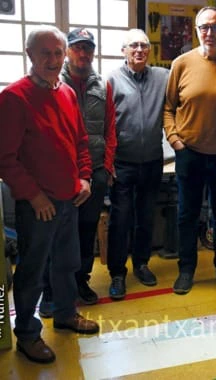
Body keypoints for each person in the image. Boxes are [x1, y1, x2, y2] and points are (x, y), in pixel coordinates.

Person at [0, 25, 100, 364]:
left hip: (70, 198)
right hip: (37, 206)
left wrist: (84, 177)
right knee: (31, 271)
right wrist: (34, 196)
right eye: (46, 53)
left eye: (58, 53)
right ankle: (27, 334)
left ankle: (65, 314)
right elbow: (5, 158)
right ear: (30, 55)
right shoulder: (14, 97)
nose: (54, 60)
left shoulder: (67, 93)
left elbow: (80, 142)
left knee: (67, 263)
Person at [164, 6, 216, 295]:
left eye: (215, 27)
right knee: (187, 215)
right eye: (204, 27)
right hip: (189, 153)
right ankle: (186, 270)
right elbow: (168, 108)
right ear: (196, 30)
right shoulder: (181, 64)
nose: (209, 33)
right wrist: (176, 141)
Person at [39, 27, 117, 315]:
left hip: (94, 172)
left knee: (85, 231)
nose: (83, 53)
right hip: (60, 175)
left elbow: (111, 129)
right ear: (68, 51)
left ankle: (79, 281)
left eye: (88, 48)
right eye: (77, 48)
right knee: (55, 232)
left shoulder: (102, 85)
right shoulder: (52, 83)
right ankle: (49, 289)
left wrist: (107, 168)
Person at [105, 29, 169, 300]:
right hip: (122, 164)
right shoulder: (111, 79)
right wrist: (107, 163)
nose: (139, 50)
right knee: (120, 219)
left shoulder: (162, 77)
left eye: (144, 45)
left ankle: (141, 264)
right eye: (133, 45)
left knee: (145, 217)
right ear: (124, 50)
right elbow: (104, 123)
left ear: (149, 51)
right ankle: (117, 273)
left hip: (153, 161)